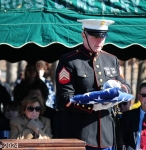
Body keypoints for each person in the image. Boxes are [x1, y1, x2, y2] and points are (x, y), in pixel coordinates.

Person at [55, 19, 131, 150]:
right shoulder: (69, 61)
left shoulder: (111, 60)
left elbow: (126, 87)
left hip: (107, 136)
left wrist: (119, 88)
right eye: (95, 36)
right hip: (80, 136)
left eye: (103, 36)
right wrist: (92, 106)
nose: (100, 41)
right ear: (83, 35)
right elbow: (64, 99)